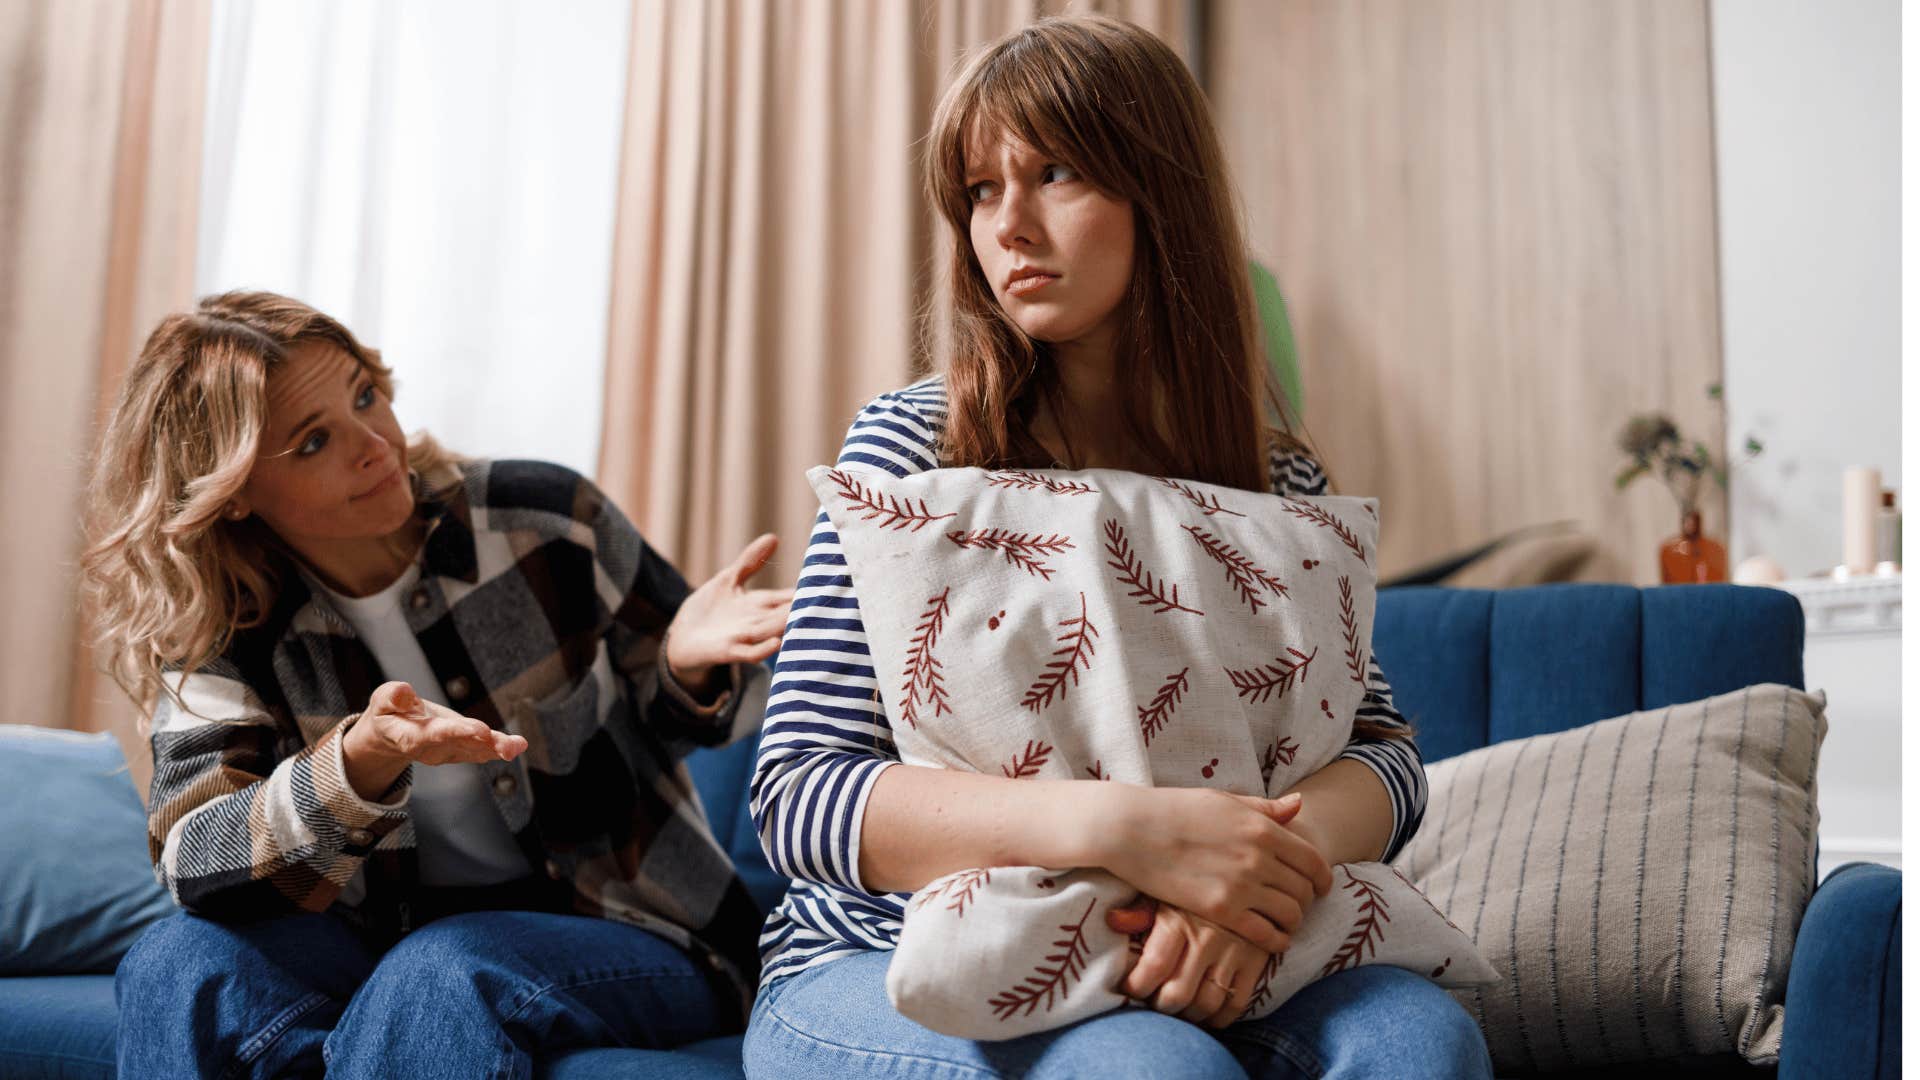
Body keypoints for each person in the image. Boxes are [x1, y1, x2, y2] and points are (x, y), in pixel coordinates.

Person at [744, 16, 1492, 1079]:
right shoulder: (914, 447)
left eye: (1055, 172)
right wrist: (1138, 837)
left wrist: (1253, 884)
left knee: (1424, 1042)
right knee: (1151, 1067)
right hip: (887, 953)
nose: (1009, 225)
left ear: (1162, 194)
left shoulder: (1279, 482)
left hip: (1221, 951)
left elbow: (1383, 755)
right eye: (979, 191)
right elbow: (800, 796)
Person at [86, 290, 791, 1079]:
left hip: (637, 928)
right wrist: (353, 766)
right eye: (314, 441)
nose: (373, 445)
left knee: (443, 970)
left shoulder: (541, 517)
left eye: (365, 396)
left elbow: (728, 726)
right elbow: (193, 858)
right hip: (372, 937)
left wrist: (689, 669)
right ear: (234, 488)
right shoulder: (223, 623)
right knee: (176, 964)